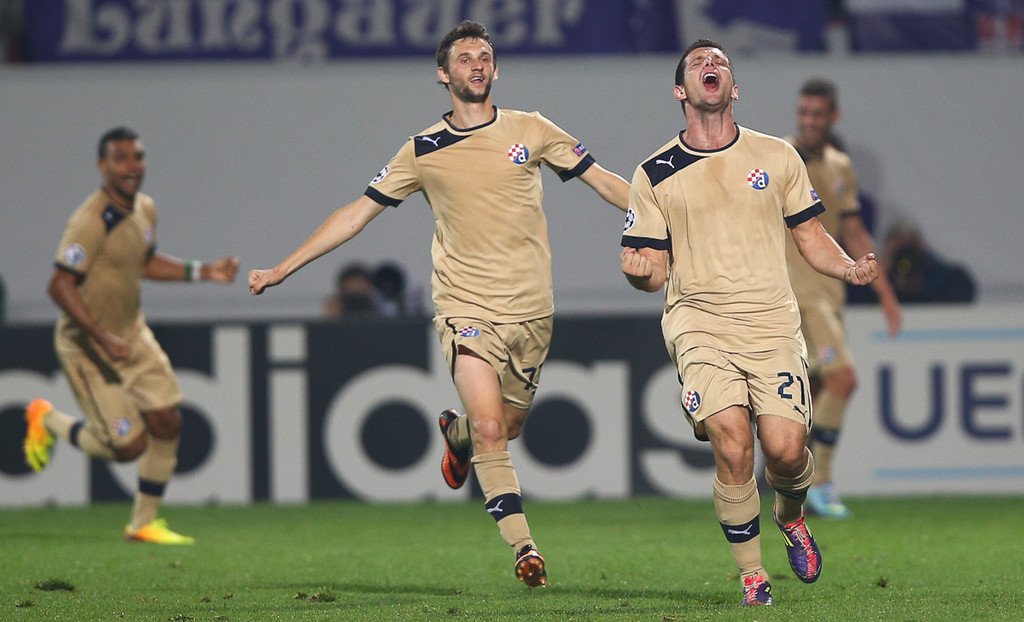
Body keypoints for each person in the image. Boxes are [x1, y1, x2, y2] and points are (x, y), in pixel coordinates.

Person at [248, 21, 629, 587]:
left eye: (485, 56)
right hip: (465, 306)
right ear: (443, 74)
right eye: (464, 57)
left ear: (496, 69)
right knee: (492, 429)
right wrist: (284, 267)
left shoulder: (533, 128)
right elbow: (356, 214)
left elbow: (605, 181)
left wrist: (663, 224)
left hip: (531, 310)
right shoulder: (423, 150)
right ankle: (524, 548)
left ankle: (456, 436)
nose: (476, 64)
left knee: (505, 426)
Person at [619, 40, 878, 606]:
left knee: (784, 450)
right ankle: (754, 579)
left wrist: (848, 268)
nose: (710, 66)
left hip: (771, 324)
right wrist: (640, 273)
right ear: (681, 90)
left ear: (734, 88)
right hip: (699, 324)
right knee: (733, 444)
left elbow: (811, 234)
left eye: (720, 62)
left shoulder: (776, 156)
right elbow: (653, 268)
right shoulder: (654, 172)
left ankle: (791, 513)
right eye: (698, 64)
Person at [22, 127, 240, 545]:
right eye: (121, 158)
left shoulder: (145, 208)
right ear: (102, 166)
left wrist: (204, 271)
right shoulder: (90, 220)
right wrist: (101, 338)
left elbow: (143, 261)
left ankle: (142, 524)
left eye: (137, 156)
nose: (132, 166)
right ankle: (46, 419)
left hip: (132, 334)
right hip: (88, 345)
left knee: (167, 420)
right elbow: (60, 285)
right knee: (128, 448)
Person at [784, 78, 902, 518]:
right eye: (804, 113)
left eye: (817, 114)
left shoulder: (839, 166)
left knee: (813, 394)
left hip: (829, 294)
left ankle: (794, 485)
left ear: (833, 117)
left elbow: (852, 230)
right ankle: (820, 483)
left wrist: (886, 295)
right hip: (795, 295)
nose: (809, 121)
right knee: (843, 378)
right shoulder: (781, 158)